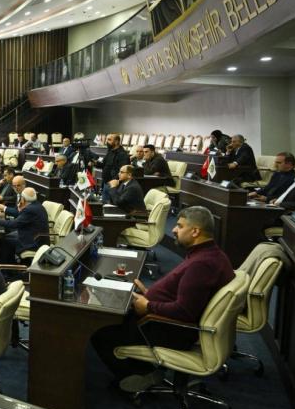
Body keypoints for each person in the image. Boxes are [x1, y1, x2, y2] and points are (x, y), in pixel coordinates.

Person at [91, 206, 234, 392]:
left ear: (195, 231)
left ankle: (139, 377)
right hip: (164, 319)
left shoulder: (201, 265)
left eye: (179, 226)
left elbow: (184, 311)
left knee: (100, 330)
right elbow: (186, 295)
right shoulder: (209, 254)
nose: (173, 229)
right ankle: (143, 370)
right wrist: (149, 293)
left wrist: (149, 305)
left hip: (168, 329)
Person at [0, 187, 49, 263]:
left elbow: (15, 224)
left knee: (5, 240)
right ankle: (0, 259)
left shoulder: (30, 209)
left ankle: (6, 264)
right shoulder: (36, 204)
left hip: (33, 241)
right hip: (35, 236)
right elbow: (21, 216)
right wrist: (20, 208)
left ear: (23, 199)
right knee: (4, 236)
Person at [98, 134, 129, 201]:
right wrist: (94, 163)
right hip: (106, 183)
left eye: (109, 140)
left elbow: (123, 171)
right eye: (107, 139)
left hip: (115, 185)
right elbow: (104, 164)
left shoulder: (123, 154)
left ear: (116, 141)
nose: (106, 142)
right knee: (105, 204)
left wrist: (114, 181)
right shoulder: (110, 152)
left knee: (111, 205)